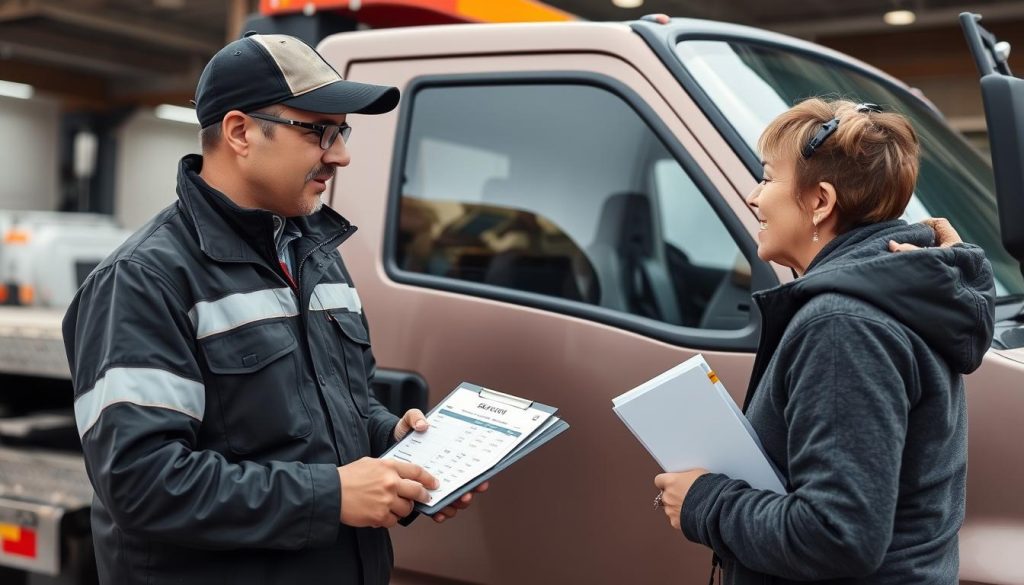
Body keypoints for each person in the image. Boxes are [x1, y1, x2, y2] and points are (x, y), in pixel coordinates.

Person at [62, 32, 484, 585]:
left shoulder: (313, 257)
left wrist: (392, 447)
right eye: (319, 131)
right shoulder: (144, 279)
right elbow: (142, 482)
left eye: (342, 132)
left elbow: (333, 413)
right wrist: (331, 495)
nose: (341, 154)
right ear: (240, 132)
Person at [652, 98, 995, 584]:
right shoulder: (891, 298)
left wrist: (706, 502)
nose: (754, 196)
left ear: (820, 202)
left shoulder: (842, 325)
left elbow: (837, 536)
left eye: (768, 178)